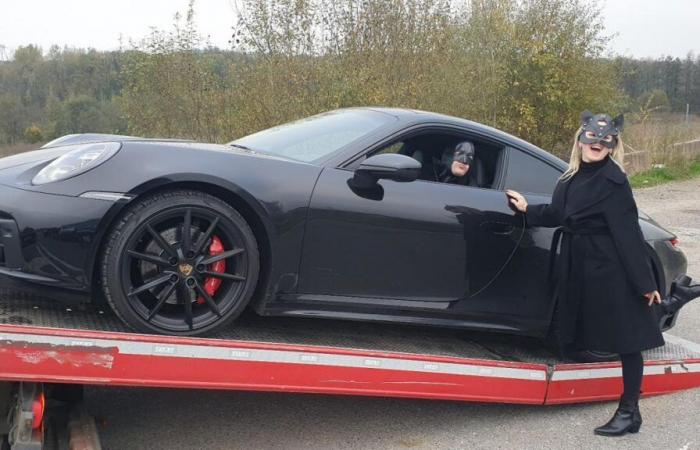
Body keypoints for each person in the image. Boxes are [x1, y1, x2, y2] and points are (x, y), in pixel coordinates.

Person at [505, 111, 663, 437]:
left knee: (627, 339)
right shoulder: (570, 176)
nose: (597, 144)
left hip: (611, 267)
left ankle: (630, 411)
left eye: (605, 141)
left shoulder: (614, 181)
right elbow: (558, 214)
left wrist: (644, 282)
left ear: (612, 146)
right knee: (585, 330)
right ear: (580, 139)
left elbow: (628, 234)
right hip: (579, 264)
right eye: (592, 138)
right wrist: (527, 209)